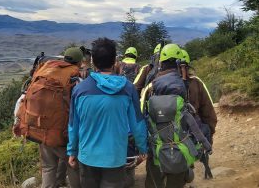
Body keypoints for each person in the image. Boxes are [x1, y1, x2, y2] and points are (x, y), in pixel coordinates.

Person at [67, 38, 148, 188]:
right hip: (115, 158)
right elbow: (137, 123)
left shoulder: (79, 90)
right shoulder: (128, 89)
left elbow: (73, 125)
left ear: (93, 62)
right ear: (115, 61)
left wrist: (72, 151)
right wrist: (142, 148)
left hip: (87, 157)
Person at [13, 47, 84, 188]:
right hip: (61, 133)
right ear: (79, 62)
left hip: (38, 128)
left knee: (48, 167)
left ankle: (56, 182)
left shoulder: (47, 70)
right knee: (73, 165)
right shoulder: (75, 77)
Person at [143, 44, 212, 188]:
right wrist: (204, 140)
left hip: (156, 148)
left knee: (154, 181)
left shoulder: (151, 86)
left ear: (160, 63)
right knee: (177, 180)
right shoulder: (193, 85)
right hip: (180, 147)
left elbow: (142, 115)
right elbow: (208, 116)